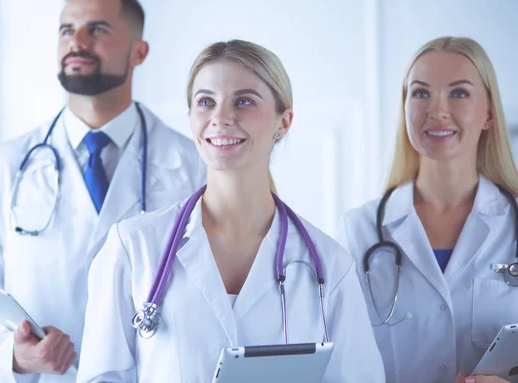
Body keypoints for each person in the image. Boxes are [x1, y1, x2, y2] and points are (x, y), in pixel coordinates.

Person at [0, 0, 205, 381]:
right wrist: (15, 354)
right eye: (67, 30)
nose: (76, 42)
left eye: (97, 29)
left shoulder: (193, 166)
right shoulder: (4, 166)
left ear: (138, 52)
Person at [76, 39, 385, 383]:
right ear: (191, 117)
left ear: (283, 122)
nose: (221, 118)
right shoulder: (134, 247)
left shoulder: (330, 265)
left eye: (243, 101)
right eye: (206, 102)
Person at [339, 36, 518, 383]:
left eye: (459, 93)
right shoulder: (358, 231)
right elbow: (341, 365)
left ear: (489, 113)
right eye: (421, 93)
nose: (437, 111)